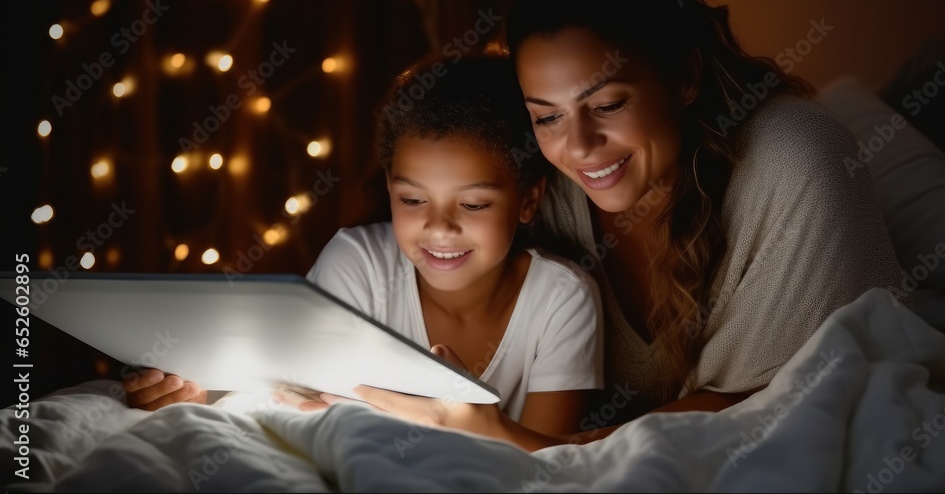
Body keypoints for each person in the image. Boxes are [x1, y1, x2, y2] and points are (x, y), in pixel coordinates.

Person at [318, 0, 907, 450]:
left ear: (685, 77)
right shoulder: (543, 185)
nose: (580, 147)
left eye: (607, 105)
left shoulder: (794, 159)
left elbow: (790, 400)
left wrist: (514, 438)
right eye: (547, 117)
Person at [123, 56, 604, 437]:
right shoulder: (358, 263)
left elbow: (551, 461)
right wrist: (196, 390)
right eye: (413, 199)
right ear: (391, 189)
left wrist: (477, 426)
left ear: (528, 201)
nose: (439, 228)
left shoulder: (561, 298)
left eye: (474, 205)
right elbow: (289, 387)